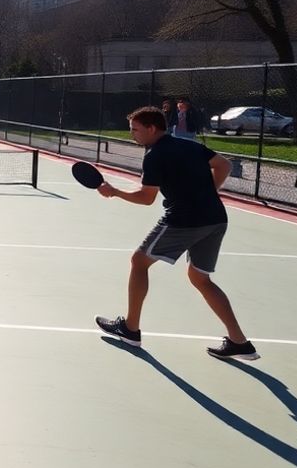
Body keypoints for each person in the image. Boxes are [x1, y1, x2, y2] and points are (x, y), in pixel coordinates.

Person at [94, 106, 259, 361]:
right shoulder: (188, 145)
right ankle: (240, 343)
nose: (132, 136)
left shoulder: (155, 155)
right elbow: (223, 165)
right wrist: (206, 193)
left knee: (139, 261)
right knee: (200, 278)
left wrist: (114, 192)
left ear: (151, 128)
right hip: (215, 218)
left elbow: (146, 198)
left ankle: (130, 329)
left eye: (135, 130)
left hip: (184, 219)